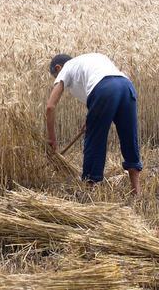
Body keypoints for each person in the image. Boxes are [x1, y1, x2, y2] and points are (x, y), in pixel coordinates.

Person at [46, 53, 143, 195]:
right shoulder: (91, 59)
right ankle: (136, 191)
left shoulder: (66, 68)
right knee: (129, 138)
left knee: (94, 140)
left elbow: (50, 107)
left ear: (58, 67)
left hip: (104, 89)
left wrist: (51, 138)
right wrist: (90, 119)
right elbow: (105, 85)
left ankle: (89, 190)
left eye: (55, 76)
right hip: (126, 86)